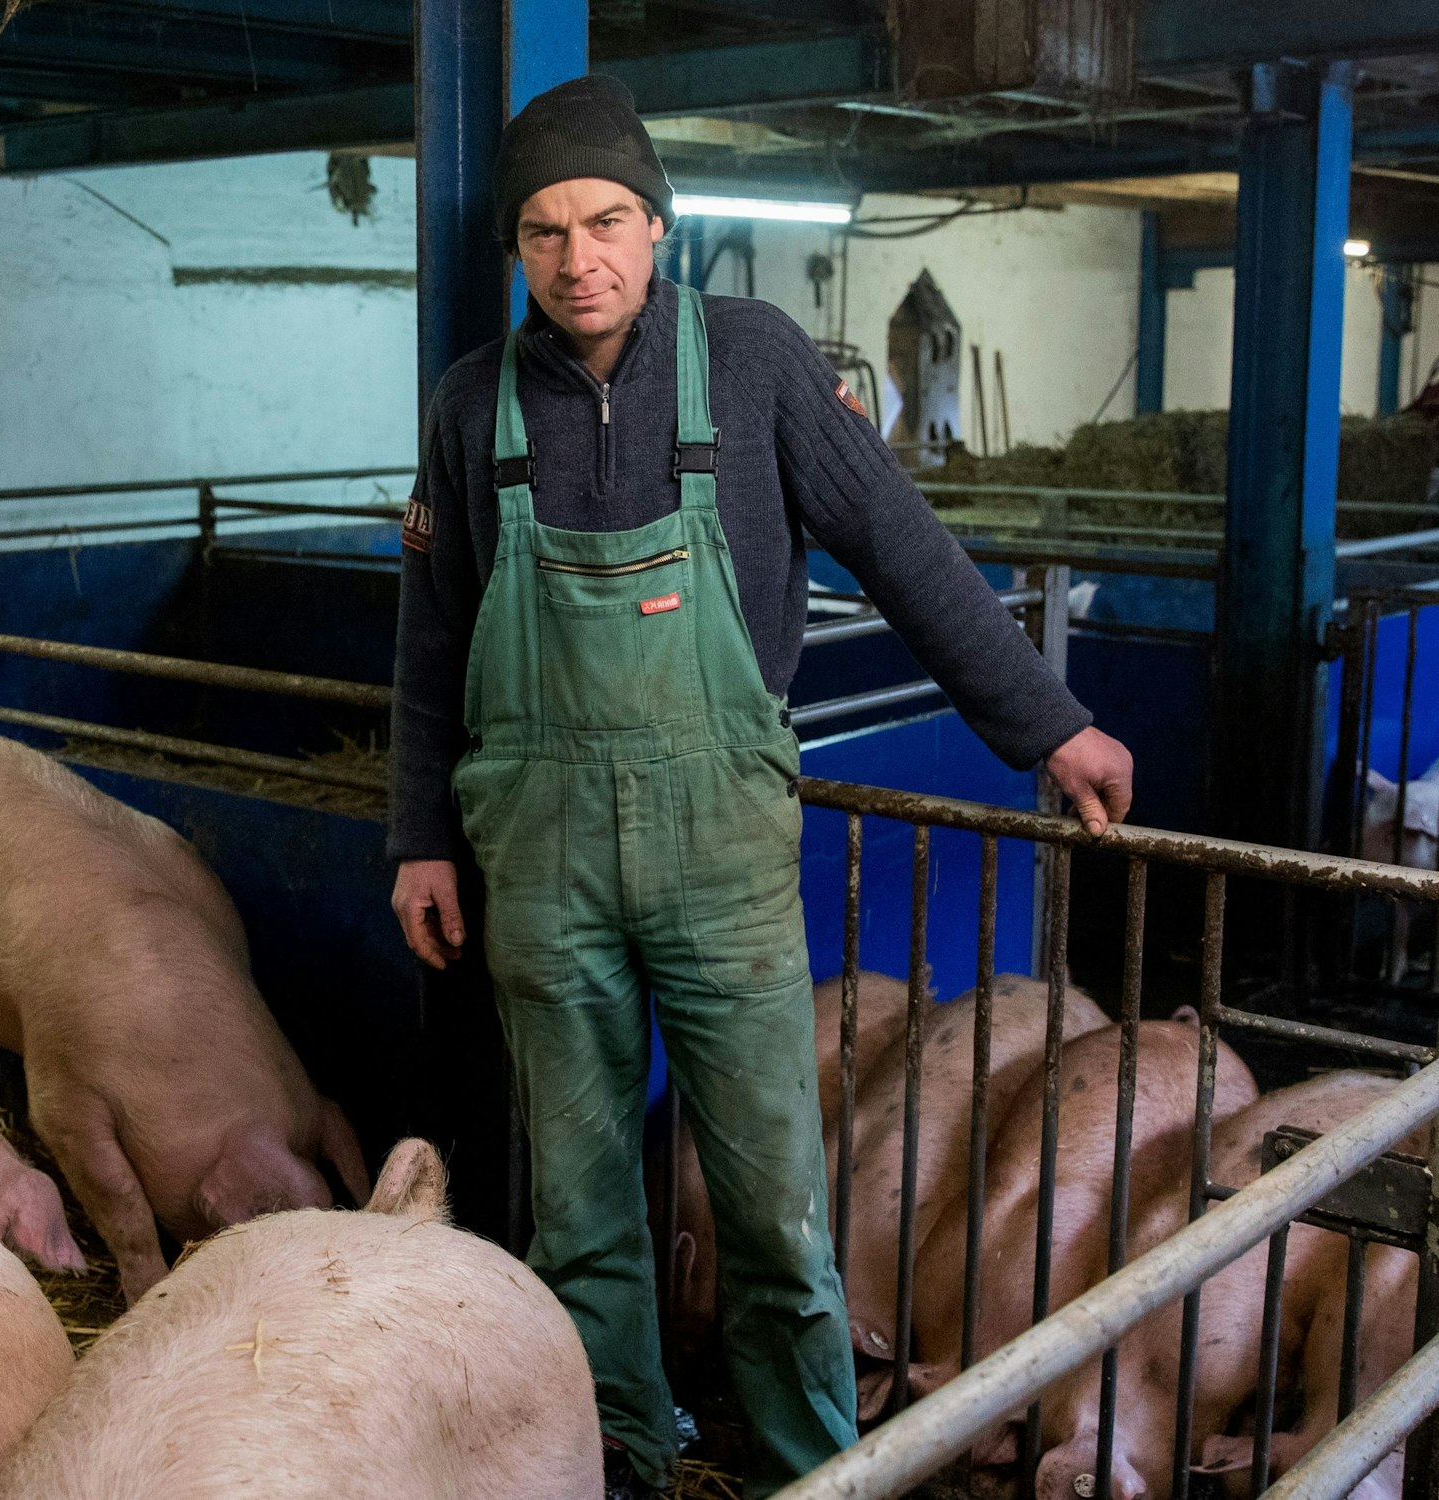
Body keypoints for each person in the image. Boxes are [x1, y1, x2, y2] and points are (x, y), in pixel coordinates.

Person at [388, 74, 1134, 1500]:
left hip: (718, 850)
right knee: (583, 1202)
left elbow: (902, 547)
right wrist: (421, 834)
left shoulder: (757, 364)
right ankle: (617, 1452)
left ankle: (812, 1468)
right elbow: (432, 640)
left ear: (660, 226)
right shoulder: (469, 406)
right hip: (536, 857)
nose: (577, 257)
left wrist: (1043, 721)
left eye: (607, 221)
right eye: (543, 232)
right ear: (516, 251)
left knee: (777, 1204)